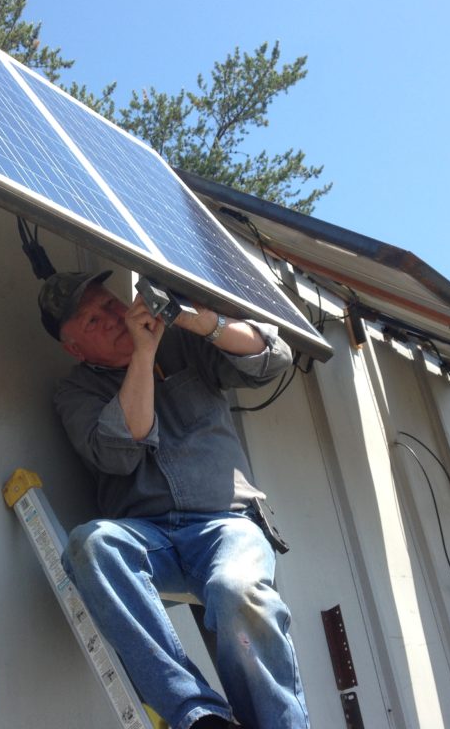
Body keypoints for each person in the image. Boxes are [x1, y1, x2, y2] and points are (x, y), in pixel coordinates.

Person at [38, 269, 310, 729]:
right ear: (74, 349)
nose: (108, 318)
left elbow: (272, 356)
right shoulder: (75, 391)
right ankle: (198, 716)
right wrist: (143, 356)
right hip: (150, 538)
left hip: (226, 525)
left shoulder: (184, 345)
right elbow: (120, 451)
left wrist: (202, 323)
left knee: (236, 590)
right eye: (90, 321)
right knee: (93, 543)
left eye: (108, 304)